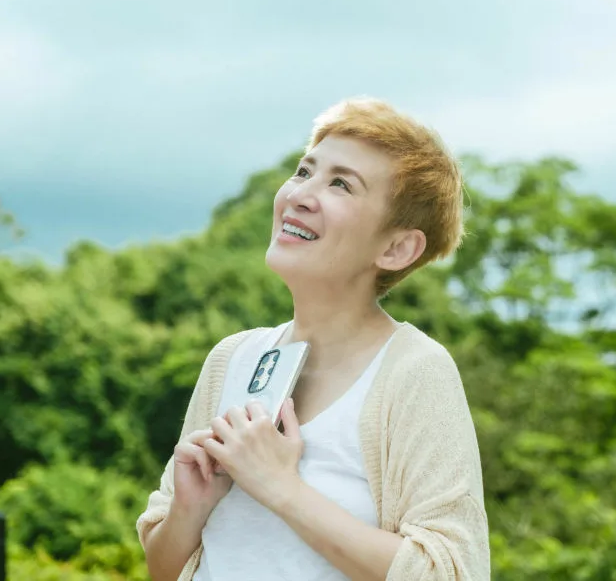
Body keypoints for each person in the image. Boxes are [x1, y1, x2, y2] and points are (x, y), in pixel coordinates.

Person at [136, 98, 490, 581]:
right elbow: (163, 568)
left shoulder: (414, 370)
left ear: (396, 247)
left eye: (341, 184)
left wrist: (281, 488)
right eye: (304, 172)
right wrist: (189, 510)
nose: (301, 194)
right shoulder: (233, 358)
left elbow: (450, 572)